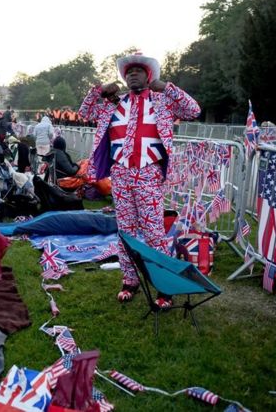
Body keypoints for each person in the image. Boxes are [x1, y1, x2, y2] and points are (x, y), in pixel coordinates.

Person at [79, 52, 200, 308]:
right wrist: (99, 90)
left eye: (138, 70)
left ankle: (164, 285)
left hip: (148, 173)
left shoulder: (163, 101)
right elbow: (85, 112)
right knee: (125, 231)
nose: (132, 74)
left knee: (155, 232)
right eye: (129, 71)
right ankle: (130, 280)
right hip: (120, 174)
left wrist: (167, 87)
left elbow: (194, 110)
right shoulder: (113, 103)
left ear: (148, 75)